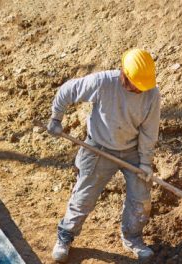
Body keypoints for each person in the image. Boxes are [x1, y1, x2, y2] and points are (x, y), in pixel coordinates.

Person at [47, 48, 160, 262]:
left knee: (141, 199)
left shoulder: (151, 94)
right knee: (84, 196)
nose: (138, 89)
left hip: (132, 151)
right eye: (134, 84)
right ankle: (65, 236)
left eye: (141, 86)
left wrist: (145, 163)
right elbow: (66, 91)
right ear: (123, 73)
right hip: (98, 147)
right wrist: (56, 118)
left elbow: (149, 131)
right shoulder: (103, 83)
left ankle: (133, 238)